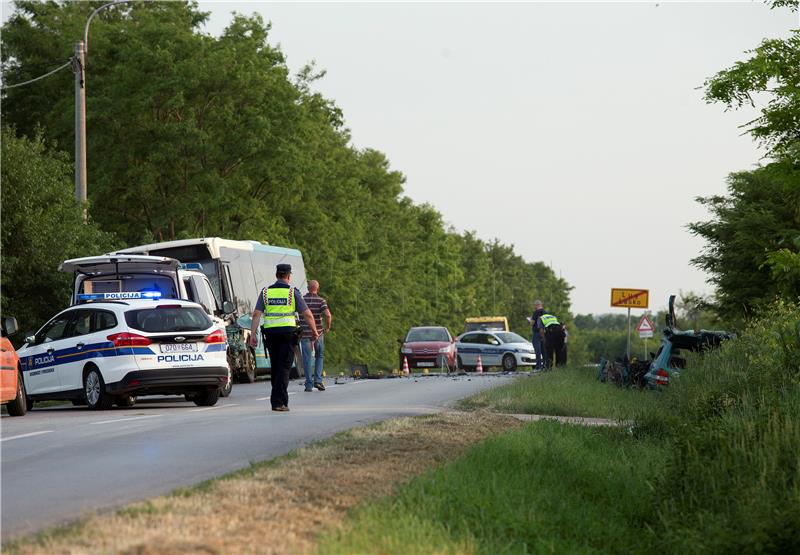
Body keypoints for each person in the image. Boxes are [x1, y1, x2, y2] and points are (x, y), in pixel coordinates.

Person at [249, 263, 319, 412]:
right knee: (285, 367)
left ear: (276, 275)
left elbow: (256, 314)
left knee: (276, 366)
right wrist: (314, 331)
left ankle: (277, 400)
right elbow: (306, 314)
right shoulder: (292, 292)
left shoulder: (265, 292)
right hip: (288, 333)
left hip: (271, 334)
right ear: (288, 275)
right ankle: (279, 402)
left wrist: (253, 335)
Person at [300, 280, 332, 392]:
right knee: (320, 356)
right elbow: (328, 315)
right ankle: (318, 381)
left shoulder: (302, 300)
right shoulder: (321, 301)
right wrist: (327, 327)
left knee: (307, 359)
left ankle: (308, 385)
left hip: (304, 334)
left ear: (308, 288)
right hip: (318, 333)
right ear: (317, 288)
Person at [527, 300, 546, 370]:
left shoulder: (536, 312)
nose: (534, 306)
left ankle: (538, 367)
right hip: (544, 334)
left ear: (537, 305)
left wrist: (530, 320)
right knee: (544, 351)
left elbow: (532, 323)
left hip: (537, 333)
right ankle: (545, 366)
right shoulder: (545, 312)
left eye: (534, 305)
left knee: (537, 351)